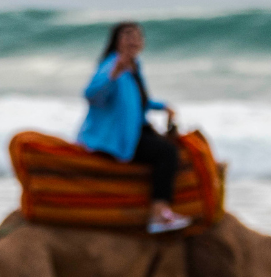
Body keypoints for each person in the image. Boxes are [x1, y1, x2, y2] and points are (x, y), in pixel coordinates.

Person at [78, 22, 190, 233]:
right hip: (117, 136)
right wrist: (112, 74)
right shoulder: (112, 65)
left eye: (138, 36)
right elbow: (91, 94)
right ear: (116, 41)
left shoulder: (134, 66)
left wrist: (162, 106)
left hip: (136, 129)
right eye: (127, 35)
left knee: (173, 145)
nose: (133, 40)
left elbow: (137, 101)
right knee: (167, 153)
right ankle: (159, 213)